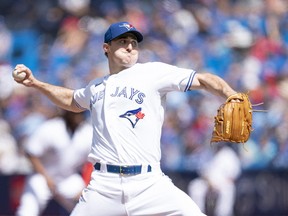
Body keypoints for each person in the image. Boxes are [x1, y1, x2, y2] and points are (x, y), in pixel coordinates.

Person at [13, 21, 239, 216]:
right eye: (122, 41)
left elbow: (204, 79)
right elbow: (72, 100)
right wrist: (37, 84)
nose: (130, 46)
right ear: (106, 48)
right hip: (103, 186)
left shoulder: (152, 73)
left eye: (134, 42)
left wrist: (231, 95)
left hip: (149, 183)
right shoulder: (96, 87)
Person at [16, 111, 92, 216]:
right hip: (42, 177)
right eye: (74, 113)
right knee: (27, 211)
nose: (77, 116)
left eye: (80, 113)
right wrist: (46, 178)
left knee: (88, 204)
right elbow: (31, 153)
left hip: (68, 178)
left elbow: (93, 163)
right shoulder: (51, 127)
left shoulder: (87, 131)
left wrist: (86, 187)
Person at [188, 143, 242, 216]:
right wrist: (209, 183)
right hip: (208, 182)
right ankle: (198, 213)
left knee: (228, 189)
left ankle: (223, 214)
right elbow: (202, 172)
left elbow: (233, 175)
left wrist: (219, 184)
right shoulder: (207, 153)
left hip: (223, 183)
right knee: (195, 186)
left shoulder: (229, 154)